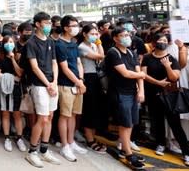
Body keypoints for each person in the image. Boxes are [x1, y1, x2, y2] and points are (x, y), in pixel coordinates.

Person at [141, 33, 189, 166]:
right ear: (154, 42)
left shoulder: (171, 59)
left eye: (164, 40)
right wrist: (157, 82)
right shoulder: (147, 57)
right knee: (157, 121)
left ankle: (186, 152)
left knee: (175, 124)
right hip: (153, 94)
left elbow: (174, 78)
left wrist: (167, 66)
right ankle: (160, 144)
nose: (162, 42)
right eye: (159, 40)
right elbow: (143, 75)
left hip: (170, 96)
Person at [105, 27, 146, 170]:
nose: (126, 38)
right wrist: (140, 75)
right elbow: (126, 73)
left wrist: (141, 90)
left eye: (127, 35)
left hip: (133, 92)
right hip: (119, 93)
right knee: (125, 124)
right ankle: (129, 154)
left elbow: (137, 72)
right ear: (115, 38)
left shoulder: (131, 52)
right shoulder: (113, 52)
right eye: (122, 35)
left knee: (131, 122)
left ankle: (125, 148)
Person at [24, 12, 61, 167]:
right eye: (45, 23)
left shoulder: (50, 41)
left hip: (52, 84)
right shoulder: (31, 43)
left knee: (50, 116)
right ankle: (32, 152)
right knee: (42, 118)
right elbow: (34, 67)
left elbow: (54, 63)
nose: (49, 25)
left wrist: (54, 82)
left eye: (50, 23)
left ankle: (44, 150)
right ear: (38, 24)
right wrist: (48, 84)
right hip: (39, 85)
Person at [55, 15, 88, 162]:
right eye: (73, 25)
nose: (76, 28)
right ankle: (64, 146)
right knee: (64, 115)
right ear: (66, 27)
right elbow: (64, 68)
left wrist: (80, 80)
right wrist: (78, 82)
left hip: (77, 84)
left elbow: (79, 63)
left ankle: (71, 142)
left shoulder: (74, 43)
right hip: (65, 85)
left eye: (77, 25)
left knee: (74, 114)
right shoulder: (59, 45)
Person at [77, 24, 107, 154]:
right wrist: (100, 43)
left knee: (97, 109)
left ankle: (93, 137)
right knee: (89, 109)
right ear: (84, 34)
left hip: (96, 78)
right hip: (88, 78)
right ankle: (90, 140)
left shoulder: (93, 46)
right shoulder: (82, 47)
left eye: (96, 34)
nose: (95, 36)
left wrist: (97, 43)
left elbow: (101, 56)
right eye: (92, 34)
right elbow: (100, 56)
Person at [0, 35, 27, 153]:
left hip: (16, 89)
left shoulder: (19, 57)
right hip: (4, 89)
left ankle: (19, 138)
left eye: (12, 42)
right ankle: (7, 138)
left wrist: (13, 59)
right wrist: (12, 78)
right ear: (3, 44)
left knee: (17, 114)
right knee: (5, 114)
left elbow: (20, 73)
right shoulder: (0, 58)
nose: (10, 44)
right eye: (7, 42)